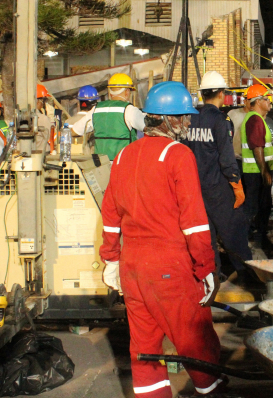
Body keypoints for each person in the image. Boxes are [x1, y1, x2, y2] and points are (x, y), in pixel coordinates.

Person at [100, 81, 227, 398]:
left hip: (133, 270)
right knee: (195, 338)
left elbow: (111, 216)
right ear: (169, 119)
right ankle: (210, 391)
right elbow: (194, 223)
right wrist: (206, 268)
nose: (187, 123)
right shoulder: (178, 155)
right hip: (171, 269)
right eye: (184, 117)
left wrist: (111, 259)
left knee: (144, 350)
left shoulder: (123, 156)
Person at [183, 72, 253, 281]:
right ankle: (246, 274)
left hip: (194, 187)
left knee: (207, 234)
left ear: (203, 94)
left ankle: (212, 274)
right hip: (217, 187)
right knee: (234, 231)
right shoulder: (220, 120)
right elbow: (226, 157)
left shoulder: (189, 117)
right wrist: (236, 184)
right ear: (222, 94)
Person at [71, 73, 146, 161]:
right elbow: (148, 127)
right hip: (123, 163)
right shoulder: (129, 110)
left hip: (101, 164)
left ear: (110, 92)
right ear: (127, 92)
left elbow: (74, 131)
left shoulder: (96, 109)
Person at [241, 85, 273, 251]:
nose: (269, 101)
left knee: (262, 208)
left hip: (257, 172)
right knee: (256, 208)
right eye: (265, 98)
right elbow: (257, 147)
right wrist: (264, 171)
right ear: (257, 102)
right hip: (256, 173)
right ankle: (251, 243)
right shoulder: (255, 120)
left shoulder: (257, 119)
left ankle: (259, 241)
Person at [35, 84, 54, 153]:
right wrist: (51, 118)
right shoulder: (42, 118)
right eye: (43, 101)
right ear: (37, 101)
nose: (43, 104)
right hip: (42, 155)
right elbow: (52, 137)